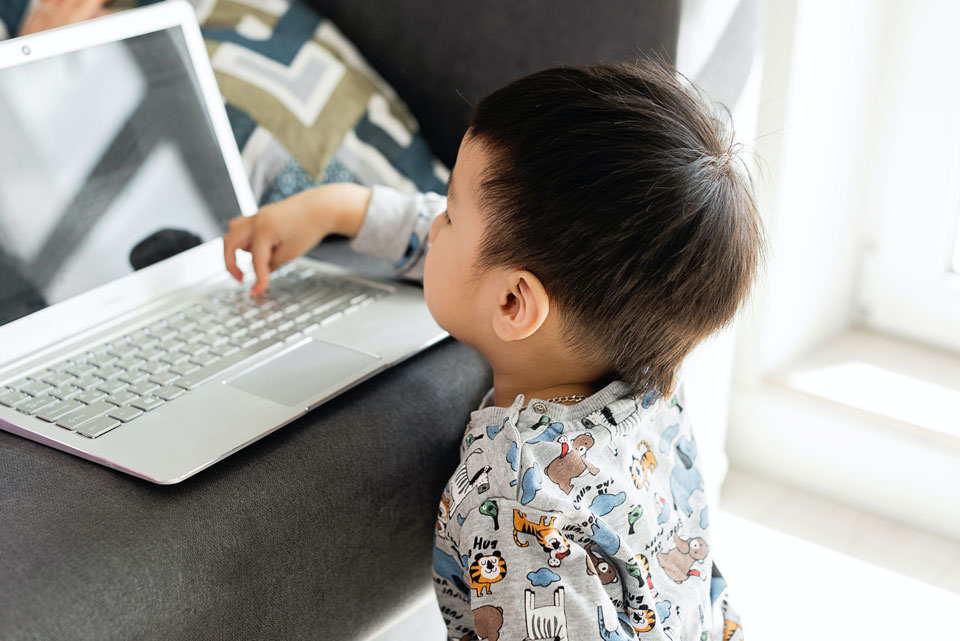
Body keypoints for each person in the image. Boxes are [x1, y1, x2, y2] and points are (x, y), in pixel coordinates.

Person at [223, 59, 763, 641]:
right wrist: (339, 209)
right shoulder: (651, 376)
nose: (434, 225)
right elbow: (482, 253)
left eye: (449, 214)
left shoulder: (518, 506)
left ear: (512, 305)